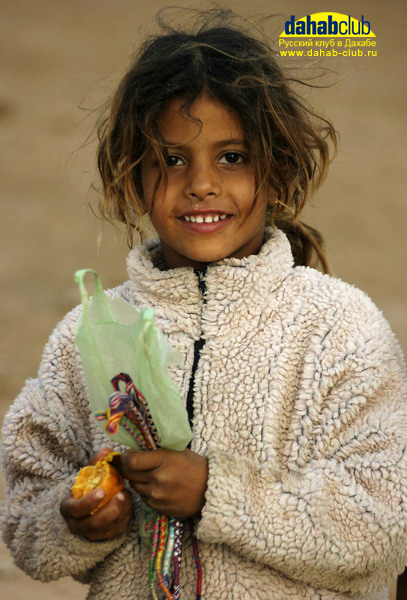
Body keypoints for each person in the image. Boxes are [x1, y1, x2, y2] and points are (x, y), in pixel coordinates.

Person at [1, 8, 406, 600]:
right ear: (134, 177)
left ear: (277, 170)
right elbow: (24, 514)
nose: (201, 183)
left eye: (232, 157)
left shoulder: (338, 329)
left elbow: (385, 525)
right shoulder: (89, 334)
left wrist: (218, 493)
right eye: (171, 159)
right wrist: (77, 521)